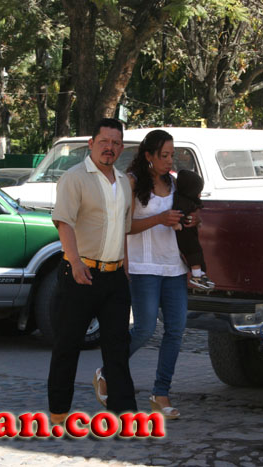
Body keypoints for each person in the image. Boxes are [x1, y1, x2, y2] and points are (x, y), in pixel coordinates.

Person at [95, 129, 200, 420]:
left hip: (174, 266)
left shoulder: (175, 184)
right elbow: (124, 226)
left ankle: (161, 393)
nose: (169, 161)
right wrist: (159, 219)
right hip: (143, 267)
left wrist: (193, 219)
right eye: (164, 155)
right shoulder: (131, 182)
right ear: (148, 156)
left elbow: (191, 215)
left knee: (176, 330)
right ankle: (107, 371)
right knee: (144, 329)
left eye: (172, 155)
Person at [48, 118, 137, 425]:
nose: (109, 148)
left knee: (118, 347)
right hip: (80, 272)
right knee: (67, 345)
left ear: (121, 148)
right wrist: (74, 262)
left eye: (115, 143)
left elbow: (123, 229)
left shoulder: (123, 182)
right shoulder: (74, 178)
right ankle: (59, 412)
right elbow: (64, 222)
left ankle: (124, 413)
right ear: (91, 144)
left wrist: (125, 267)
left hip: (115, 276)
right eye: (103, 142)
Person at [172, 169, 214, 290]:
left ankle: (201, 273)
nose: (199, 195)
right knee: (193, 252)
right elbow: (178, 213)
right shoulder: (182, 202)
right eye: (198, 192)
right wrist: (179, 224)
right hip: (185, 234)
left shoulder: (188, 200)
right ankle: (196, 275)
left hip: (190, 232)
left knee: (197, 251)